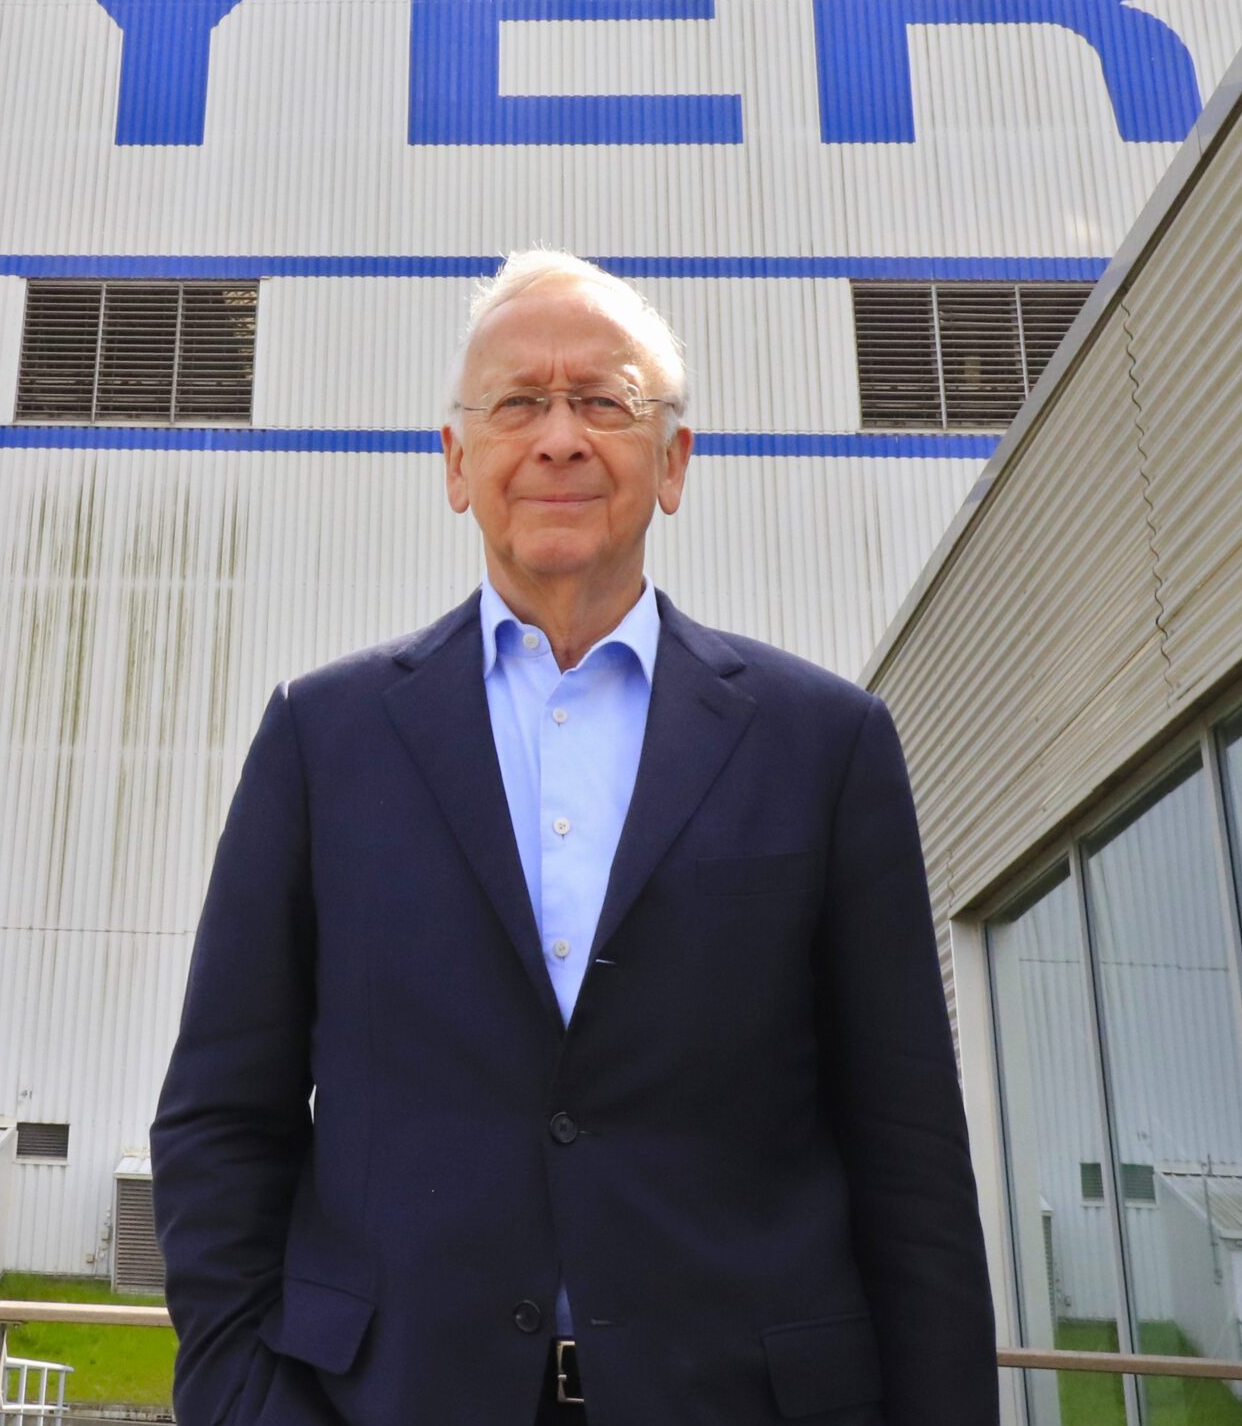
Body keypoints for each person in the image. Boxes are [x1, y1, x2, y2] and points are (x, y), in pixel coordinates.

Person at [150, 251, 995, 1426]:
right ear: (456, 463)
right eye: (516, 403)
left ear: (674, 459)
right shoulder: (321, 739)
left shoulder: (825, 745)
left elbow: (907, 1152)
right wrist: (245, 1401)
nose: (558, 437)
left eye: (604, 401)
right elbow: (220, 1121)